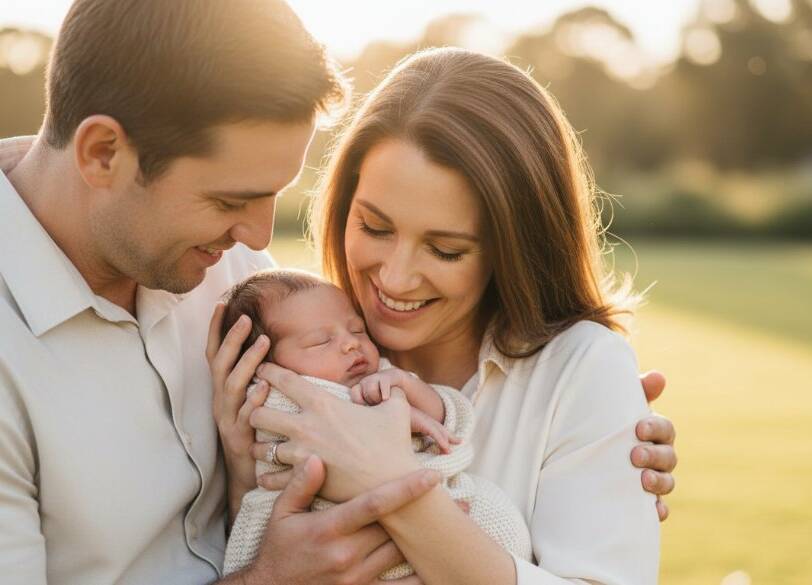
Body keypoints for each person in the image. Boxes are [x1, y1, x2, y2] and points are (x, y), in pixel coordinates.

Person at [0, 1, 676, 584]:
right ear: (101, 155)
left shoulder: (241, 281)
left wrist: (594, 422)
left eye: (273, 196)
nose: (257, 237)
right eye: (231, 198)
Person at [210, 48, 665, 584]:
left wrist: (390, 483)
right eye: (375, 228)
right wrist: (240, 475)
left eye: (445, 250)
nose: (396, 280)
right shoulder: (287, 340)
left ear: (514, 249)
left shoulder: (582, 370)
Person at [218, 269, 533, 578]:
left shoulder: (379, 374)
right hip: (331, 527)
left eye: (357, 330)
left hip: (446, 530)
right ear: (261, 365)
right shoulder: (274, 393)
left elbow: (455, 420)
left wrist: (416, 396)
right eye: (319, 342)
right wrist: (389, 416)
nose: (350, 344)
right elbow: (323, 430)